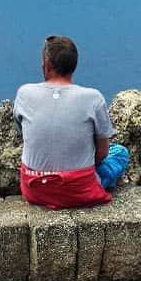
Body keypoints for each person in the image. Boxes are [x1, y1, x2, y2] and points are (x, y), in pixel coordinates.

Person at [14, 35, 129, 209]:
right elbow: (103, 153)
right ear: (73, 65)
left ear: (47, 64)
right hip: (78, 190)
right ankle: (100, 182)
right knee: (119, 152)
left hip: (35, 188)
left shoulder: (24, 93)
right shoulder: (93, 98)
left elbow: (25, 133)